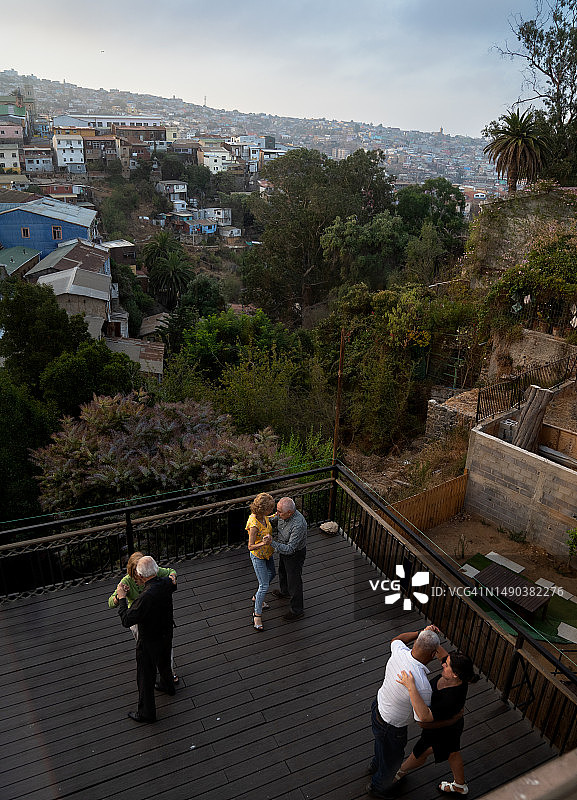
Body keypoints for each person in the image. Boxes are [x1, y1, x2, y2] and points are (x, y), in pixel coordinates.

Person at [367, 626, 441, 799]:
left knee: (380, 744)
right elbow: (422, 719)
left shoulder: (399, 651)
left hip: (378, 708)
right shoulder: (422, 685)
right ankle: (378, 787)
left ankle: (375, 765)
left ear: (415, 644)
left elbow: (396, 639)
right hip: (393, 727)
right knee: (393, 759)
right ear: (433, 655)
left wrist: (420, 632)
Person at [395, 651, 479, 795]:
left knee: (420, 751)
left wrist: (411, 686)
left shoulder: (450, 698)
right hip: (450, 725)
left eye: (447, 665)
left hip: (442, 731)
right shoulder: (458, 676)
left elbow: (424, 719)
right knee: (452, 753)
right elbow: (443, 655)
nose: (442, 663)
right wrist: (430, 633)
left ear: (455, 674)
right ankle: (460, 785)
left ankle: (399, 772)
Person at [116, 555, 176, 723]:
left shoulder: (145, 597)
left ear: (141, 576)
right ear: (156, 570)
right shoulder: (167, 584)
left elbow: (127, 619)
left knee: (145, 675)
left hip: (149, 640)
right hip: (166, 632)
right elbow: (173, 582)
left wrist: (121, 599)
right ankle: (168, 686)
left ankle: (147, 713)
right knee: (164, 662)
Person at [108, 551, 179, 684]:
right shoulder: (127, 581)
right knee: (146, 647)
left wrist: (173, 577)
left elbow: (171, 571)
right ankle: (151, 671)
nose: (139, 577)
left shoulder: (150, 572)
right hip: (137, 617)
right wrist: (119, 596)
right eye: (136, 574)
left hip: (153, 613)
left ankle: (169, 671)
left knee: (165, 644)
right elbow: (111, 602)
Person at [264, 496, 307, 621]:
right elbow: (275, 518)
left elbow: (290, 549)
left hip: (295, 554)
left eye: (280, 512)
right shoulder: (283, 514)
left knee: (295, 582)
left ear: (290, 512)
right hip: (283, 547)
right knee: (282, 571)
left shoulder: (298, 524)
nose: (277, 513)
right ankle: (285, 592)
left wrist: (272, 543)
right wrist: (262, 519)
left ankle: (297, 610)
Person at [246, 492, 277, 631]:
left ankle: (257, 596)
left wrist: (277, 515)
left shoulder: (264, 516)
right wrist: (263, 543)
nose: (272, 510)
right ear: (263, 509)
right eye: (271, 508)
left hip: (268, 553)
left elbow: (269, 518)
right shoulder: (254, 524)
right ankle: (257, 614)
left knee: (272, 573)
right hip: (258, 555)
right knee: (264, 585)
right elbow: (250, 546)